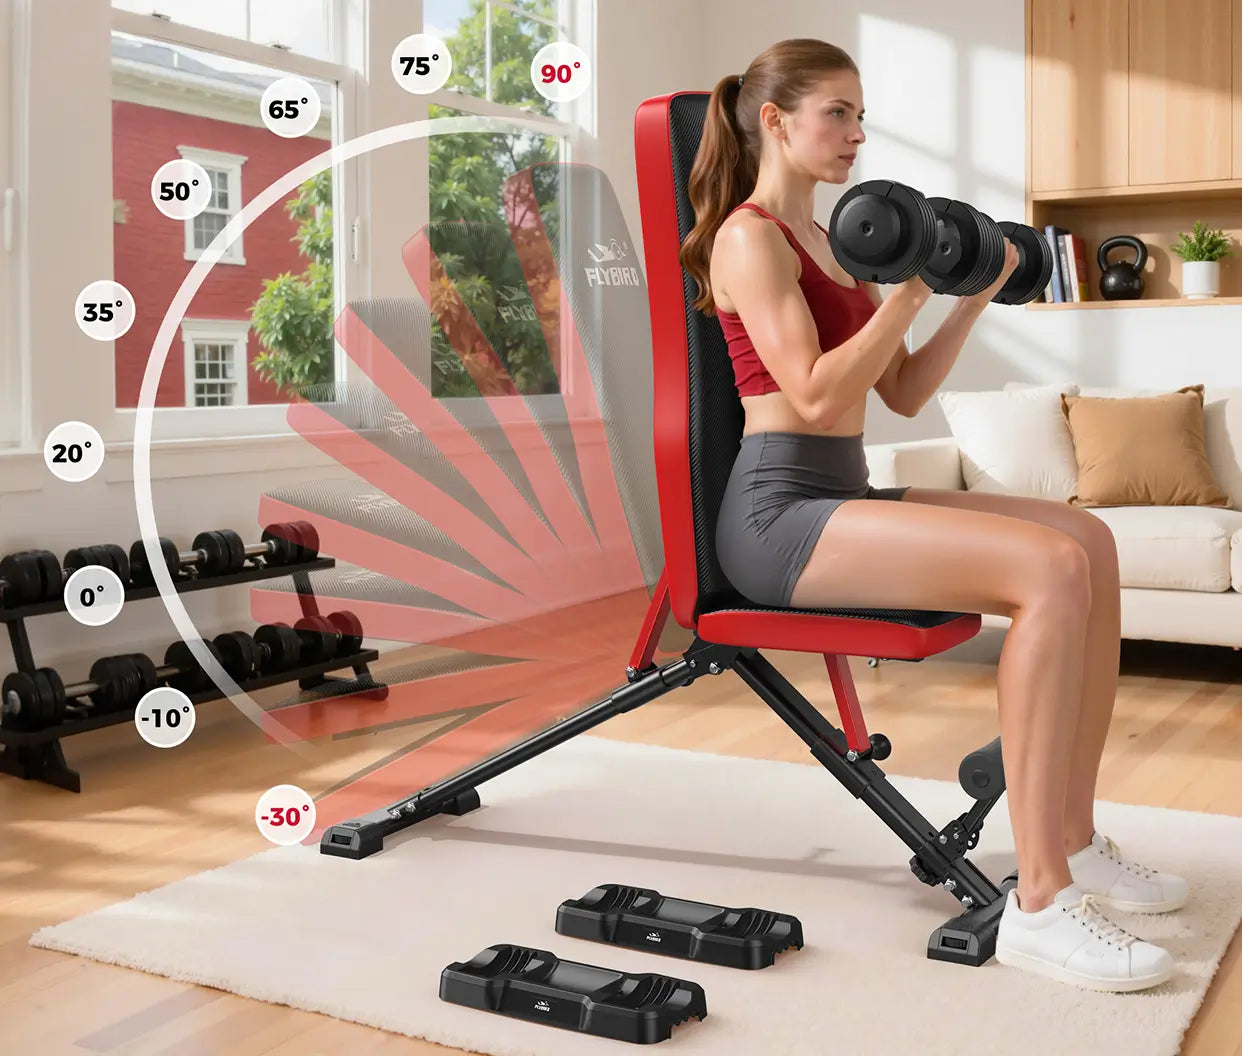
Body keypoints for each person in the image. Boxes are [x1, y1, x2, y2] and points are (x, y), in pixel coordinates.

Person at [678, 37, 1186, 993]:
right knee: (1046, 571)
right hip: (778, 517)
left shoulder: (834, 240)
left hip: (837, 493)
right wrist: (909, 287)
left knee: (1088, 538)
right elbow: (820, 397)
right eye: (839, 113)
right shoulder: (748, 237)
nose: (858, 135)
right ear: (776, 121)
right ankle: (1040, 901)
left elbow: (900, 391)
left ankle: (1074, 838)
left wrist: (967, 298)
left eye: (861, 115)